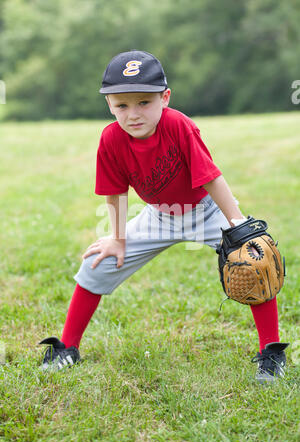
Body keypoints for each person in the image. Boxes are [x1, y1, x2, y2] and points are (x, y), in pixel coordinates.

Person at [39, 50, 288, 383]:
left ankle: (271, 352)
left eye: (144, 102)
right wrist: (117, 238)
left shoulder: (178, 125)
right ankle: (67, 347)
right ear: (109, 105)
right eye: (122, 105)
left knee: (255, 264)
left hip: (205, 210)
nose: (133, 114)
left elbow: (211, 177)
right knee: (98, 262)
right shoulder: (111, 139)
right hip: (158, 215)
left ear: (164, 98)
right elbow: (115, 191)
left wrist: (237, 224)